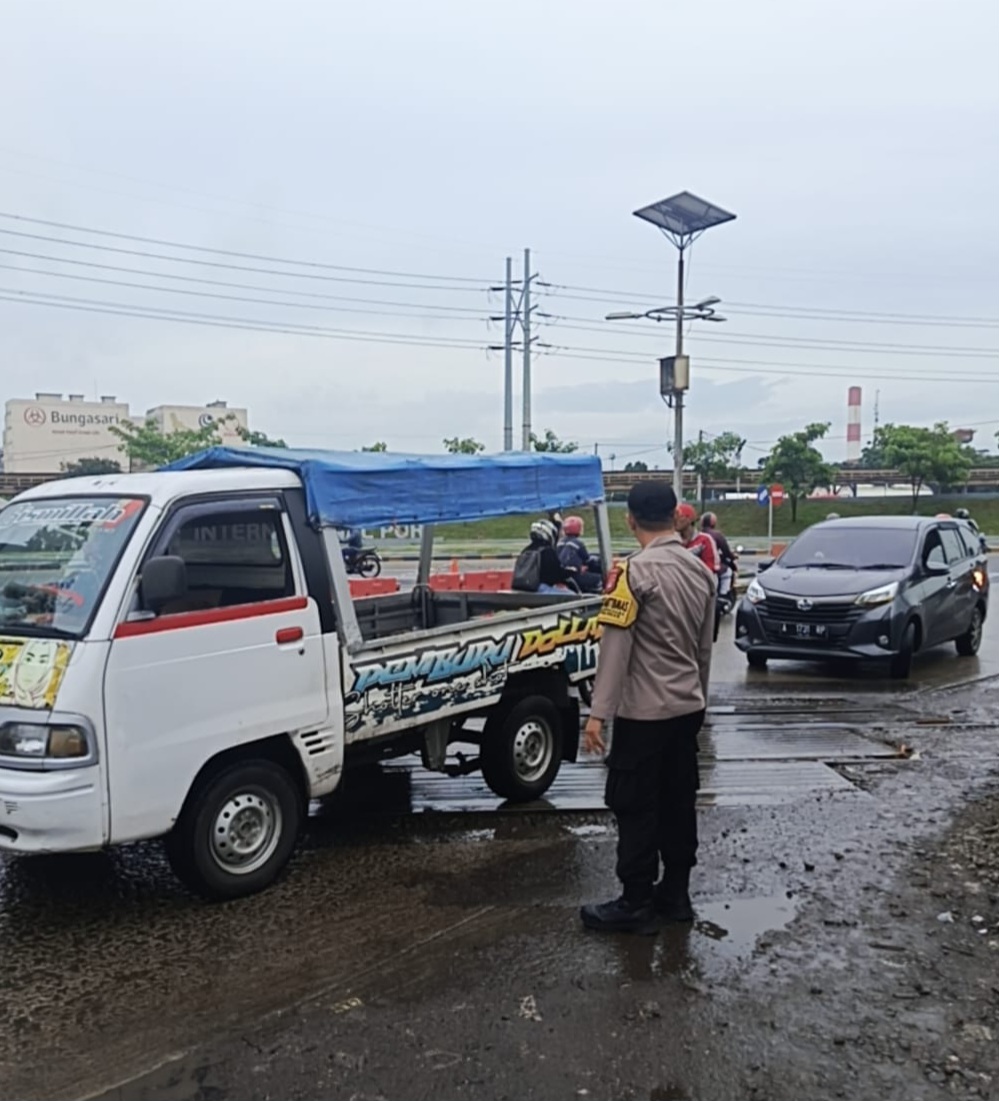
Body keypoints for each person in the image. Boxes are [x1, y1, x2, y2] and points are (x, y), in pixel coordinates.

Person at [579, 482, 716, 935]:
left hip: (643, 715)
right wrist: (698, 698)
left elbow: (615, 649)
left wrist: (598, 714)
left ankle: (636, 902)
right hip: (686, 709)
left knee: (635, 804)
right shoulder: (701, 572)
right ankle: (676, 895)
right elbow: (703, 650)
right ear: (676, 517)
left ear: (630, 520)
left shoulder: (631, 574)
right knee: (679, 799)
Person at [511, 516, 571, 593]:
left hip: (523, 588)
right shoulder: (547, 551)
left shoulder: (526, 550)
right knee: (573, 595)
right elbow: (554, 576)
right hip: (540, 588)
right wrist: (569, 572)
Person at [557, 515, 603, 593]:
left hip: (562, 575)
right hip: (574, 576)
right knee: (599, 578)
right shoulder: (578, 543)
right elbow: (587, 559)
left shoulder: (559, 543)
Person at [701, 512, 737, 603]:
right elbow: (726, 550)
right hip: (711, 565)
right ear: (713, 522)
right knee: (727, 572)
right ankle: (723, 595)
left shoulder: (698, 534)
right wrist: (732, 556)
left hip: (699, 565)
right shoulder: (716, 535)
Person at [674, 503, 719, 576]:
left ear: (690, 519)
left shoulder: (705, 540)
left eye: (680, 517)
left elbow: (711, 566)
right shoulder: (672, 541)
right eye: (673, 517)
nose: (675, 520)